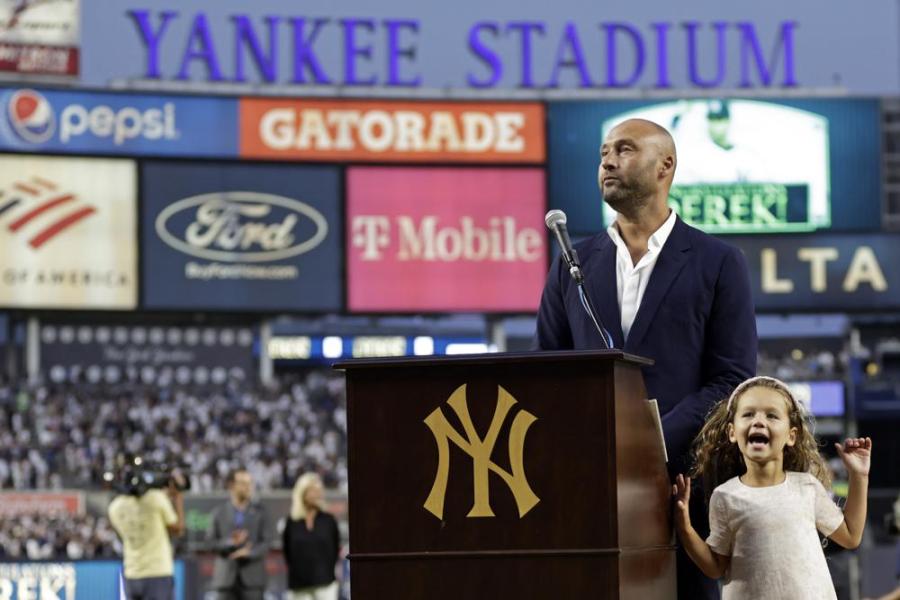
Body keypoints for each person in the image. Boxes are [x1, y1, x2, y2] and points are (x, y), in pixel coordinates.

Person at [533, 118, 757, 598]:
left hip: (684, 493)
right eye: (603, 152)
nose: (608, 161)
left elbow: (733, 380)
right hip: (588, 490)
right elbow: (546, 376)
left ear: (665, 166)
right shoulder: (571, 263)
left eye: (625, 149)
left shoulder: (718, 261)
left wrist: (648, 439)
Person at [673, 376, 872, 599]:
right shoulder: (725, 496)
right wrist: (685, 528)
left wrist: (859, 475)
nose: (758, 421)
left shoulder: (806, 487)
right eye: (748, 414)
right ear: (732, 432)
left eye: (771, 415)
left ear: (791, 435)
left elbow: (851, 536)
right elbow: (715, 567)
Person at [108, 475, 185, 600]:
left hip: (132, 573)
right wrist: (178, 497)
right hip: (157, 572)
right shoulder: (155, 499)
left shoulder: (115, 508)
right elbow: (178, 529)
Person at [208, 468, 273, 600]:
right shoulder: (218, 512)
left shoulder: (261, 512)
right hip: (225, 580)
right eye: (243, 483)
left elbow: (267, 542)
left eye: (250, 483)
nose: (248, 487)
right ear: (231, 485)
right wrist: (231, 543)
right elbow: (210, 542)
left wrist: (249, 553)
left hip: (253, 581)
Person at [282, 473, 341, 600]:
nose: (318, 494)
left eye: (319, 491)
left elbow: (335, 550)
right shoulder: (292, 522)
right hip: (299, 586)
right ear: (302, 493)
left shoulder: (329, 520)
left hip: (326, 585)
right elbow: (287, 552)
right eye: (313, 491)